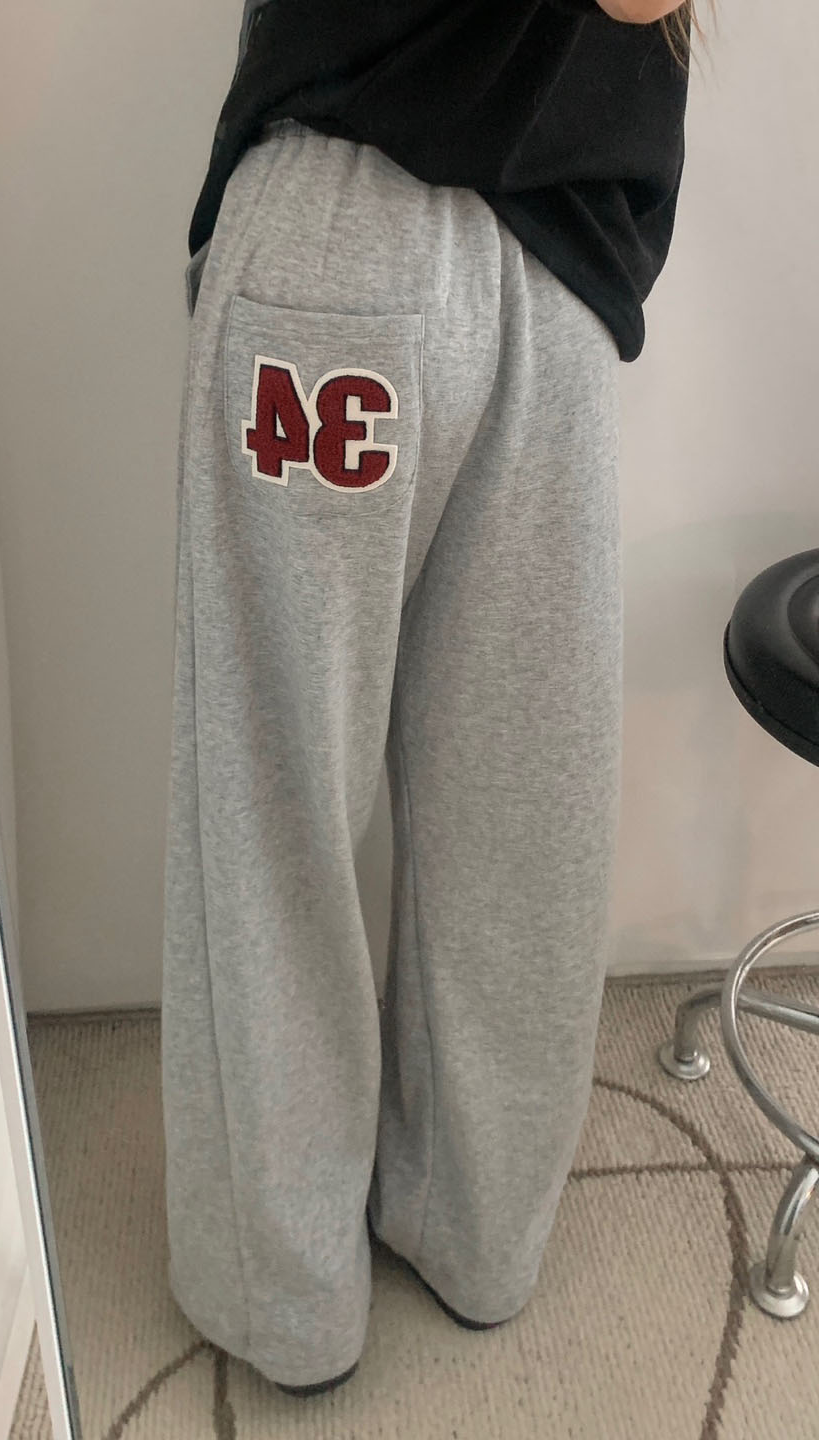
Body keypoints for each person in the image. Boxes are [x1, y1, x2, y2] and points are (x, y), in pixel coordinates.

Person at [160, 0, 705, 1400]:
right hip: (479, 258)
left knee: (308, 815)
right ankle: (451, 1243)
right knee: (504, 816)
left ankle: (293, 1287)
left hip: (403, 257)